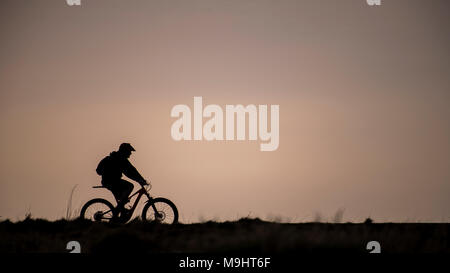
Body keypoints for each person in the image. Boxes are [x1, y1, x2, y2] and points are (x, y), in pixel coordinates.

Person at [96, 143, 148, 211]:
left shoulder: (114, 158)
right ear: (124, 151)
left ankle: (121, 210)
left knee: (123, 197)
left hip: (109, 181)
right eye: (129, 151)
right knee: (130, 186)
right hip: (111, 182)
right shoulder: (120, 159)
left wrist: (140, 179)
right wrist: (140, 180)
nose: (130, 153)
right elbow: (130, 172)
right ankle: (119, 208)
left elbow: (132, 171)